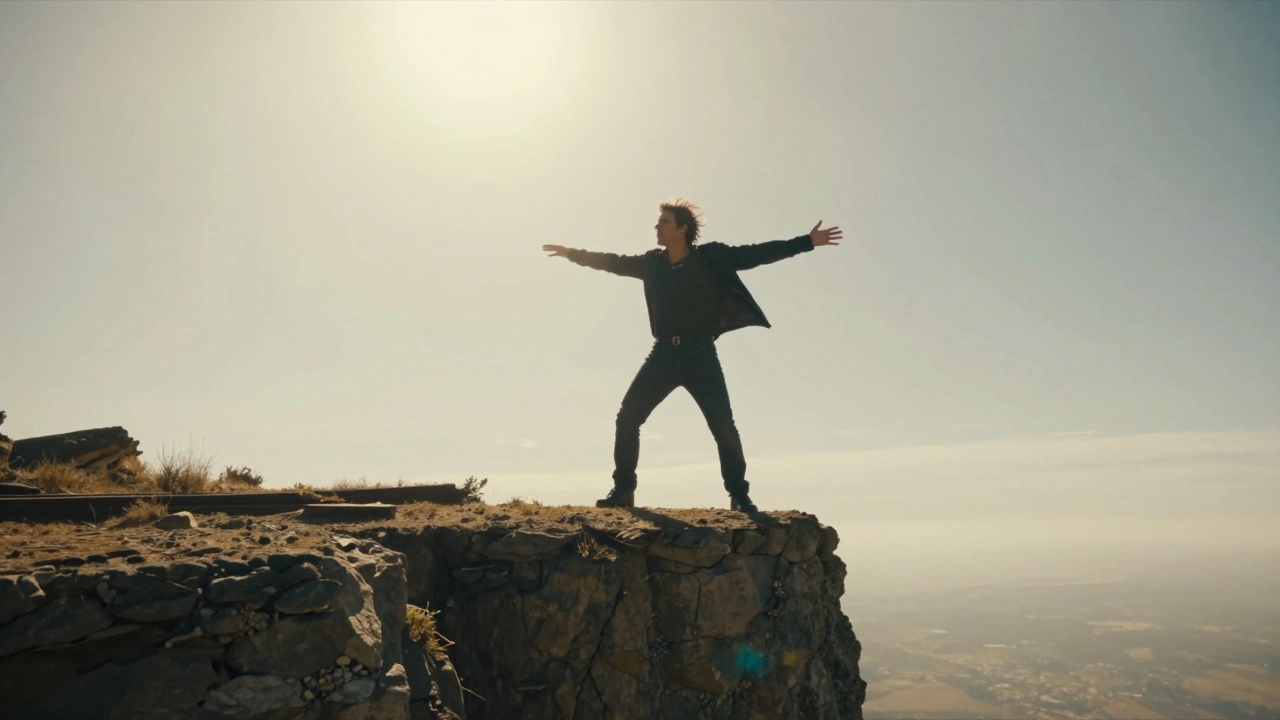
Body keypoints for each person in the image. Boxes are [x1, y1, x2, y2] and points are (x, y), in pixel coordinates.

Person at [543, 199, 841, 512]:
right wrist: (572, 254)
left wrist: (806, 242)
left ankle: (739, 495)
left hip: (699, 354)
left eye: (664, 222)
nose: (657, 228)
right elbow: (612, 262)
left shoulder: (711, 257)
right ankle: (623, 490)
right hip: (662, 354)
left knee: (723, 425)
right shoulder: (652, 263)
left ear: (683, 228)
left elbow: (756, 253)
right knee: (628, 418)